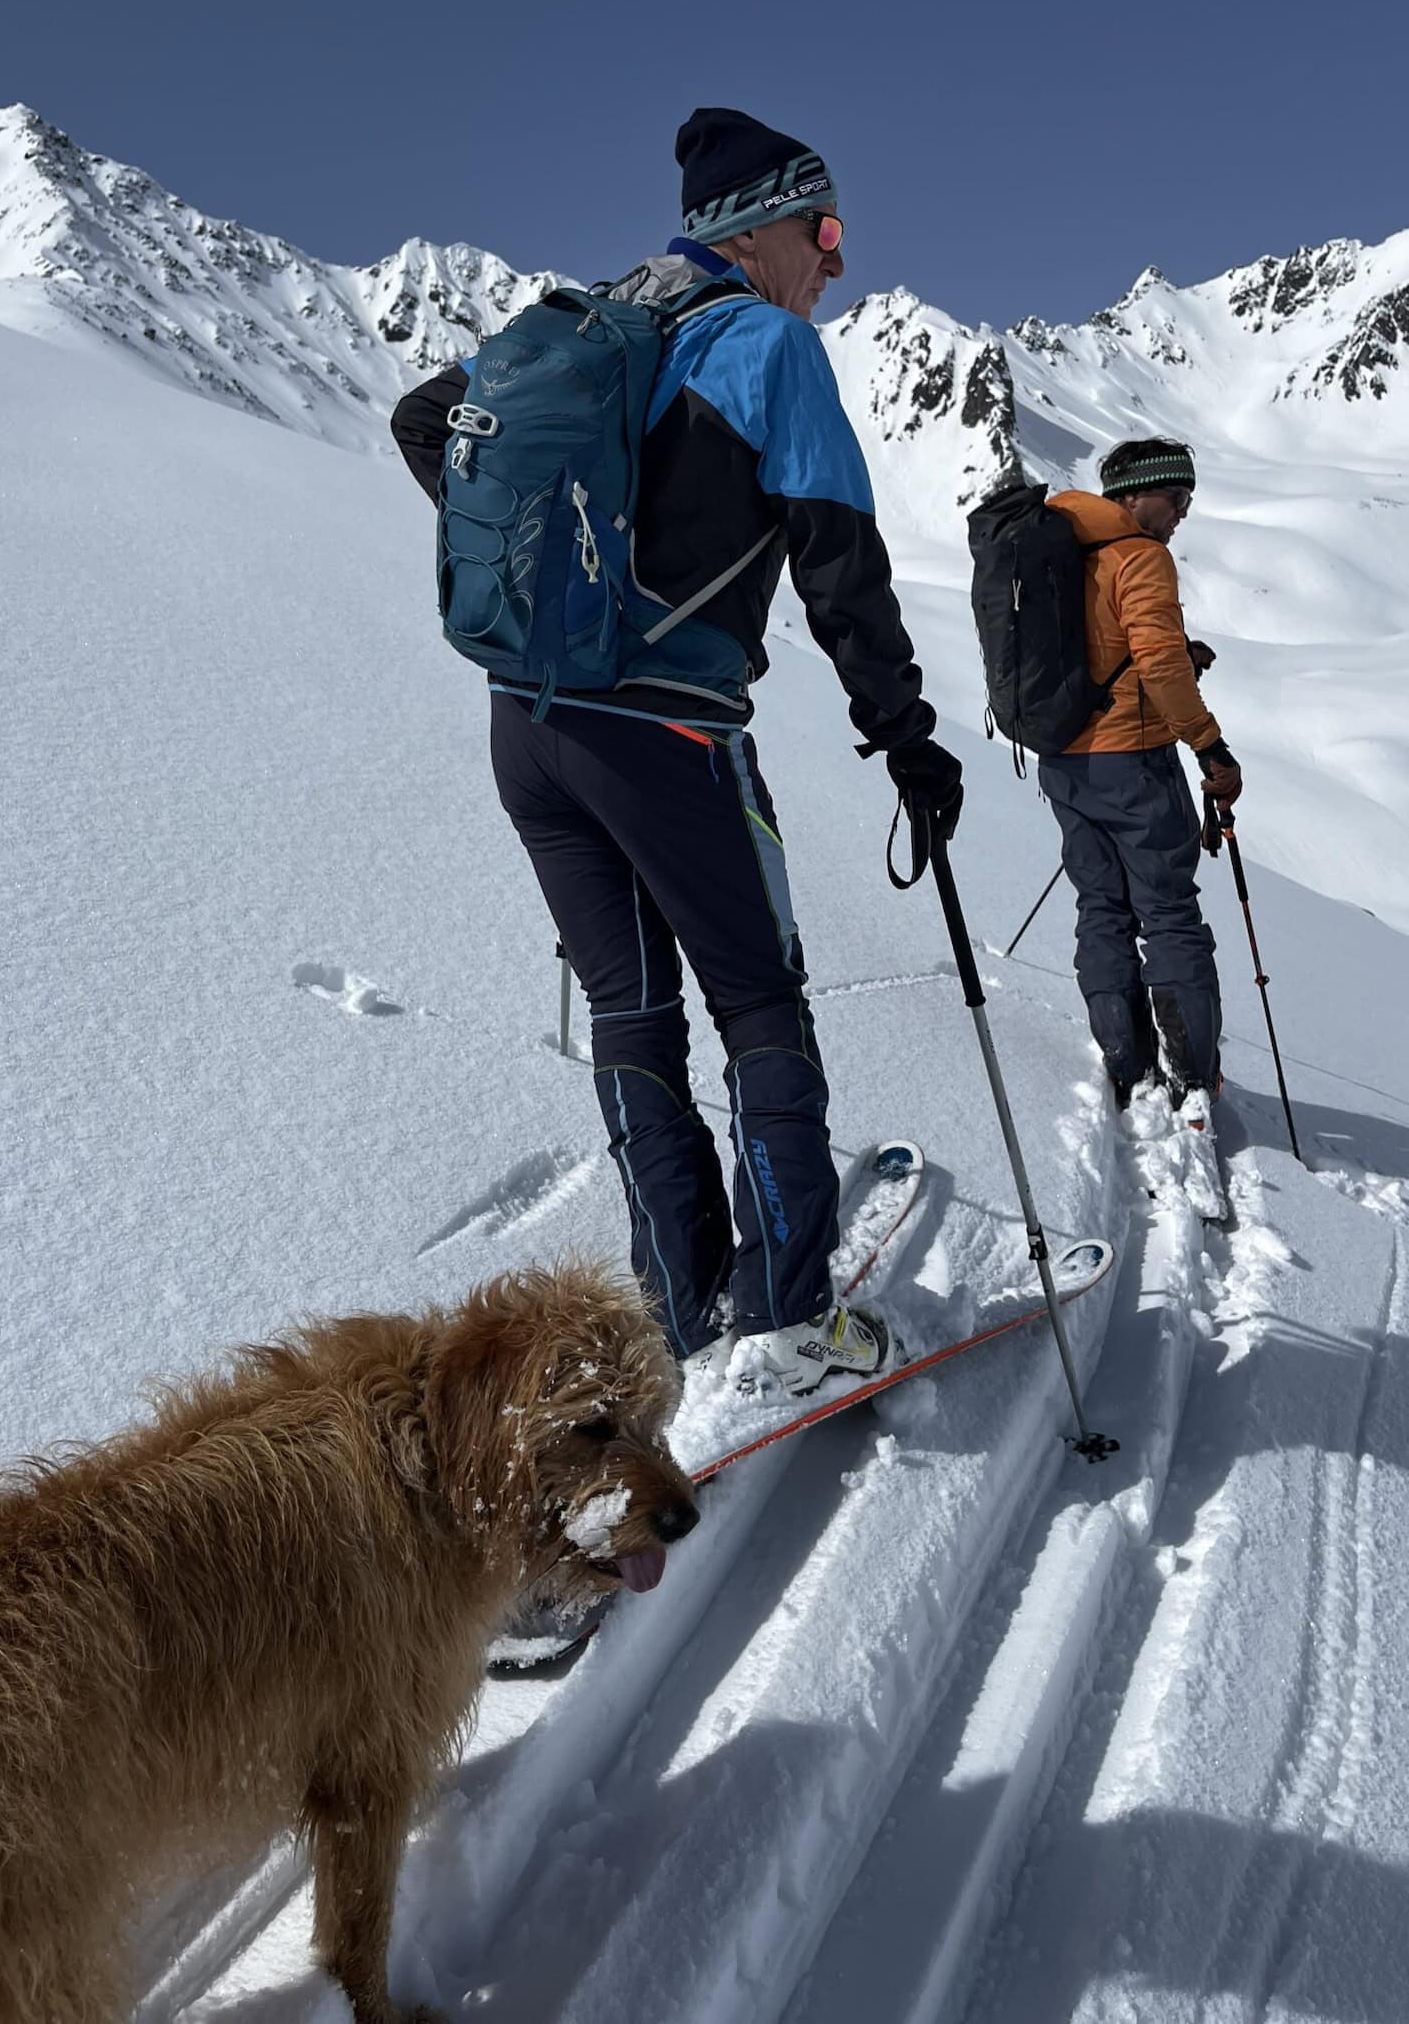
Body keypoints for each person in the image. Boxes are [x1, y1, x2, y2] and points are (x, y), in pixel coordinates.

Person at [391, 108, 963, 1396]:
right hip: (667, 736)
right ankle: (783, 1314)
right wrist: (907, 739)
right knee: (756, 998)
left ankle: (679, 1292)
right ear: (755, 228)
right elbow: (840, 565)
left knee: (632, 1012)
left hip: (528, 726)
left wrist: (558, 594)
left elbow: (426, 420)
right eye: (824, 231)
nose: (835, 262)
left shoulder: (593, 326)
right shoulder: (765, 346)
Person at [1038, 438, 1239, 1115]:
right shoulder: (1140, 557)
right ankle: (1191, 1072)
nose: (1182, 512)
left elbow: (1106, 645)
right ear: (1134, 496)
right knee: (1170, 913)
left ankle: (1124, 1059)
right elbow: (1155, 664)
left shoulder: (1063, 544)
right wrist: (1210, 746)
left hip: (1066, 760)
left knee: (1101, 905)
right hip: (1135, 763)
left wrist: (1175, 654)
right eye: (1174, 497)